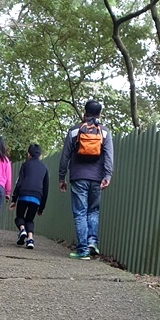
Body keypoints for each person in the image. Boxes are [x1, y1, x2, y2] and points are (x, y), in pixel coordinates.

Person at [58, 100, 114, 259]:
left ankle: (82, 250)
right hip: (96, 178)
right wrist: (107, 175)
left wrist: (61, 177)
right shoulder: (104, 132)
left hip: (78, 177)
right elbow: (109, 156)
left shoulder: (75, 130)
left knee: (80, 212)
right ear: (100, 114)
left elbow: (65, 157)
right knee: (93, 210)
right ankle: (92, 242)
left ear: (85, 112)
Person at [9, 143, 48, 250]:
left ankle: (22, 230)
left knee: (19, 217)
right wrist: (41, 208)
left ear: (28, 154)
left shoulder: (25, 165)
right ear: (40, 155)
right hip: (37, 197)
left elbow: (19, 182)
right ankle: (30, 240)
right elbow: (46, 189)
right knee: (30, 220)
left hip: (24, 194)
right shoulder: (44, 168)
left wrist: (14, 199)